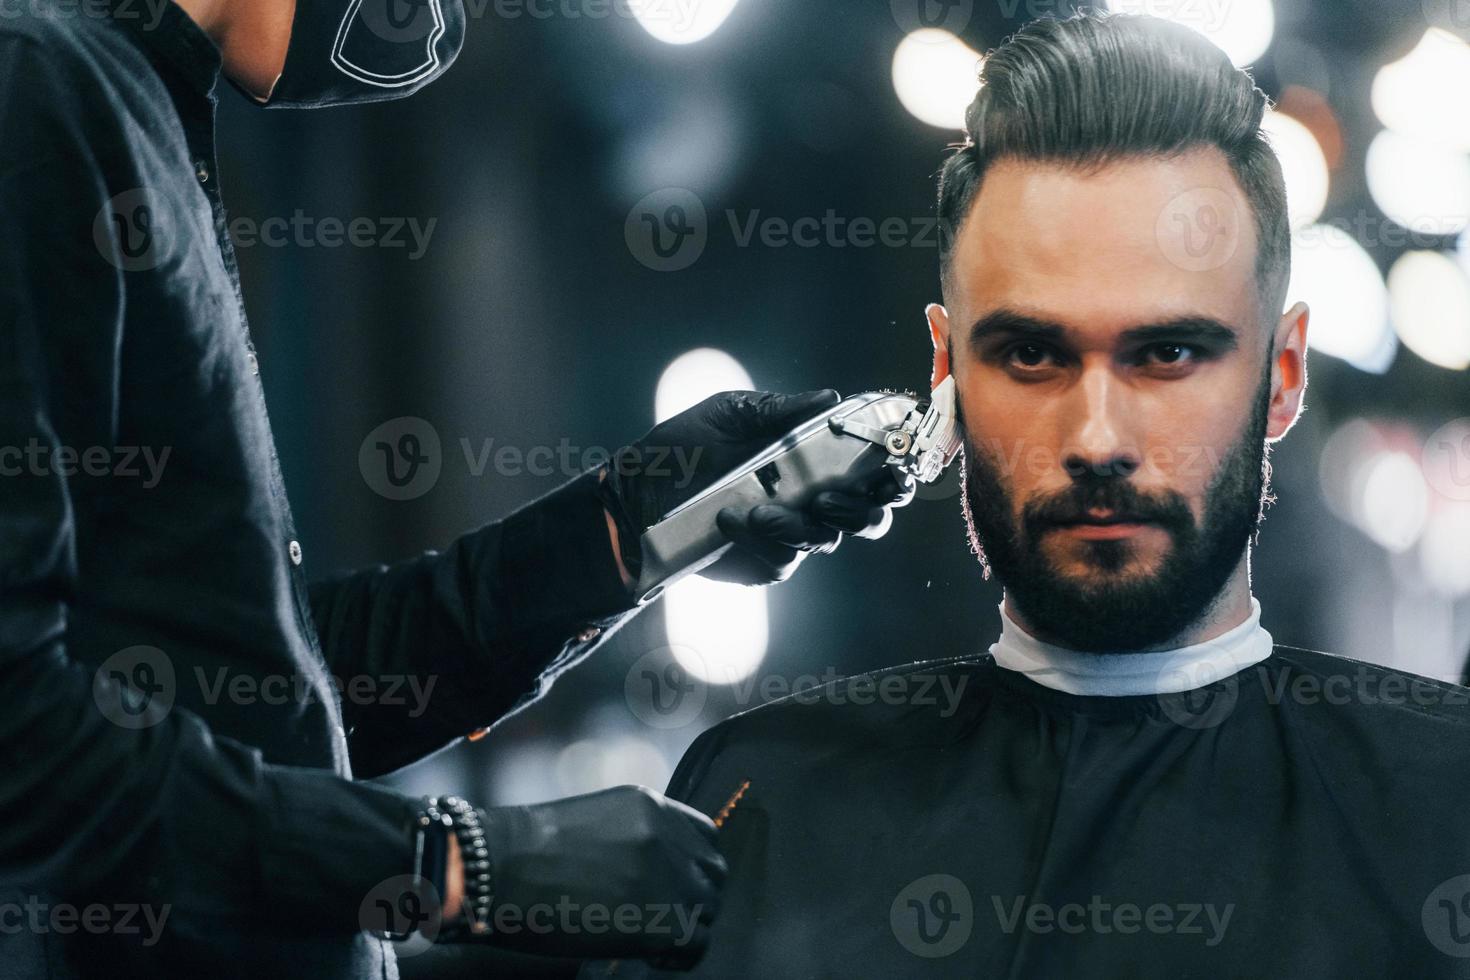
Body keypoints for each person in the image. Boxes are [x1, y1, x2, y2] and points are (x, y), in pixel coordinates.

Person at [0, 0, 911, 976]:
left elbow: (247, 687)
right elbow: (21, 744)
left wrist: (634, 525)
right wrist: (455, 863)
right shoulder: (33, 87)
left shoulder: (136, 104)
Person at [588, 12, 1470, 977]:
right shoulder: (762, 805)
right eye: (1033, 354)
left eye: (1167, 353)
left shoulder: (1446, 803)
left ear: (1284, 374)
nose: (1096, 440)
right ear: (947, 369)